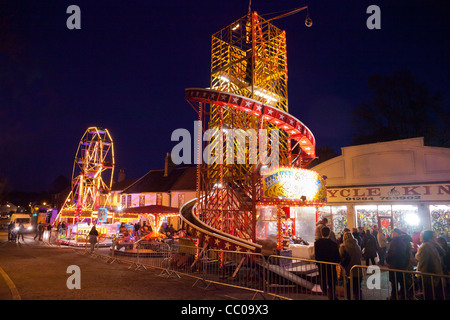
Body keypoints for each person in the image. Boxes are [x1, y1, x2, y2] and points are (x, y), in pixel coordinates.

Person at [386, 228, 414, 300]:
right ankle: (402, 296)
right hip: (402, 265)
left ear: (395, 233)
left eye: (392, 232)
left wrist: (387, 260)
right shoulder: (404, 241)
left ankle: (394, 297)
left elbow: (392, 254)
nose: (391, 234)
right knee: (402, 283)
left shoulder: (395, 242)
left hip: (395, 266)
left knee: (394, 284)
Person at [416, 230, 444, 300]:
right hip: (433, 275)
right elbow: (423, 262)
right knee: (433, 294)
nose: (436, 238)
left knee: (432, 295)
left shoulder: (429, 246)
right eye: (434, 237)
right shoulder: (429, 246)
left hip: (432, 275)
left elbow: (443, 253)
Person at [314, 226, 341, 300]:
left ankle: (326, 292)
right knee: (332, 282)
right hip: (331, 267)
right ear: (329, 234)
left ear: (321, 233)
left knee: (323, 280)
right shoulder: (334, 244)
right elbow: (337, 257)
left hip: (322, 267)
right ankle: (332, 295)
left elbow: (316, 256)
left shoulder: (317, 243)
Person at [339, 232, 363, 300]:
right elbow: (360, 256)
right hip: (358, 271)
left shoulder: (343, 247)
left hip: (348, 271)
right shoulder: (357, 246)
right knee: (358, 289)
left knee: (348, 289)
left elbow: (341, 257)